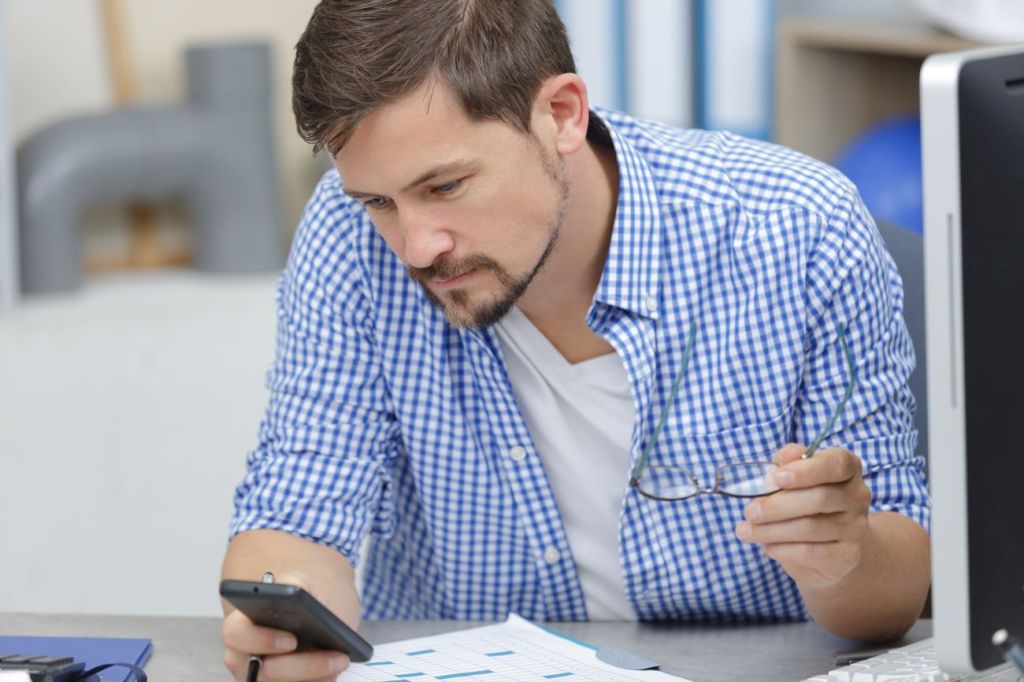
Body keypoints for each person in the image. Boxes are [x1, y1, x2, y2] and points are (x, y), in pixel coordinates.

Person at [220, 0, 932, 679]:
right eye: (379, 200)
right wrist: (282, 616)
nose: (415, 247)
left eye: (445, 187)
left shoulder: (801, 228)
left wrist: (846, 552)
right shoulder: (347, 236)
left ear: (561, 114)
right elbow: (295, 513)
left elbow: (897, 593)